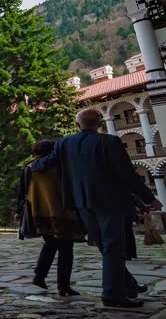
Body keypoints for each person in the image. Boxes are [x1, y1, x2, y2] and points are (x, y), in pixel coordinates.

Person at [32, 109, 163, 308]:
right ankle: (112, 294)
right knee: (113, 246)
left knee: (104, 245)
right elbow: (126, 173)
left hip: (81, 203)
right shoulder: (109, 142)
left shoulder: (64, 143)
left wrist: (32, 166)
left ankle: (127, 285)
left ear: (78, 125)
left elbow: (45, 163)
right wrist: (149, 198)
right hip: (109, 201)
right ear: (100, 124)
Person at [16, 139, 84, 296]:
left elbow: (22, 191)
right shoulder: (59, 165)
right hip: (61, 212)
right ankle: (63, 285)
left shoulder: (29, 168)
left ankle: (39, 276)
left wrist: (19, 211)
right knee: (66, 249)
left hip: (39, 213)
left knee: (50, 245)